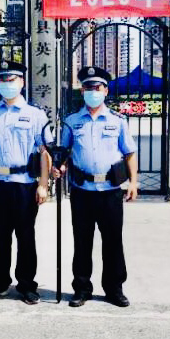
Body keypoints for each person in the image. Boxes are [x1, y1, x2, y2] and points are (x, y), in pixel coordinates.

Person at [0, 59, 49, 305]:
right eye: (1, 79)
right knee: (0, 236)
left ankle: (26, 285)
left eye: (10, 79)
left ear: (21, 82)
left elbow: (44, 151)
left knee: (26, 236)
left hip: (24, 183)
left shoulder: (35, 114)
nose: (6, 83)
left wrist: (43, 184)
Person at [59, 66, 138, 308]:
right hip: (82, 190)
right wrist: (59, 166)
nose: (92, 91)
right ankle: (82, 288)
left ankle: (114, 289)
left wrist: (133, 182)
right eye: (88, 87)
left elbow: (129, 153)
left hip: (110, 191)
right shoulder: (71, 122)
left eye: (97, 87)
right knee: (82, 241)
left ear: (105, 90)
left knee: (113, 242)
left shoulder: (118, 121)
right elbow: (63, 152)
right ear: (82, 91)